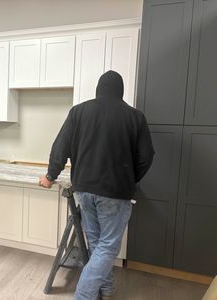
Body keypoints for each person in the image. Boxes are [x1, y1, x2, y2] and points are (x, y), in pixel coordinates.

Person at [39, 70, 154, 300]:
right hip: (116, 191)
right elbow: (146, 157)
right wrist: (131, 179)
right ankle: (84, 296)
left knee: (96, 243)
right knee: (107, 247)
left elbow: (60, 147)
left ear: (98, 89)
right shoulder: (135, 117)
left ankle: (107, 289)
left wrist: (50, 176)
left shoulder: (78, 111)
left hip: (84, 189)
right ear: (121, 91)